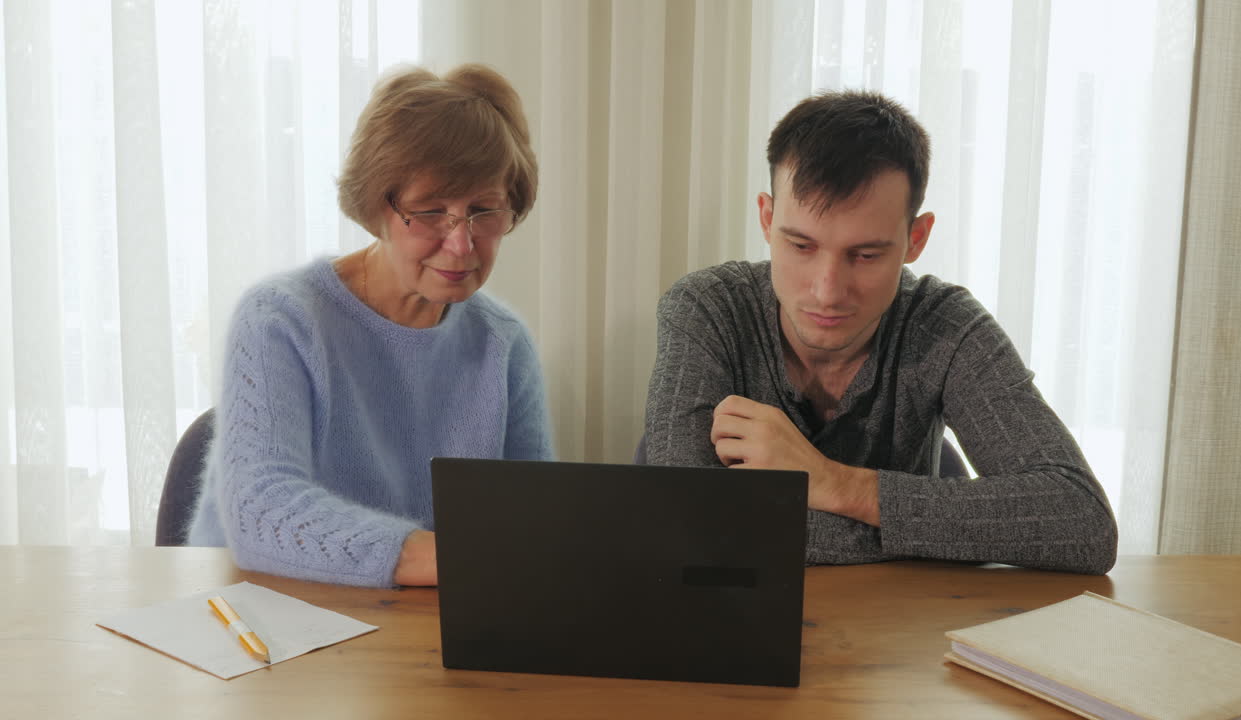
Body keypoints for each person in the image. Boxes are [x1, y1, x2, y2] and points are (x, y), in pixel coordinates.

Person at [644, 90, 1117, 574]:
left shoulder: (946, 326)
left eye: (866, 255)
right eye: (801, 246)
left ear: (916, 239)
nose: (828, 291)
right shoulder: (707, 308)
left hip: (897, 633)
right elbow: (686, 522)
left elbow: (1082, 522)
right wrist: (926, 535)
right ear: (767, 219)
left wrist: (831, 482)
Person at [187, 64, 553, 587]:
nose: (462, 244)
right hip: (260, 617)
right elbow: (260, 513)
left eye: (484, 211)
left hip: (421, 621)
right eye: (431, 211)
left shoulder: (503, 343)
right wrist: (457, 558)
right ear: (375, 207)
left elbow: (534, 522)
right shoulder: (280, 319)